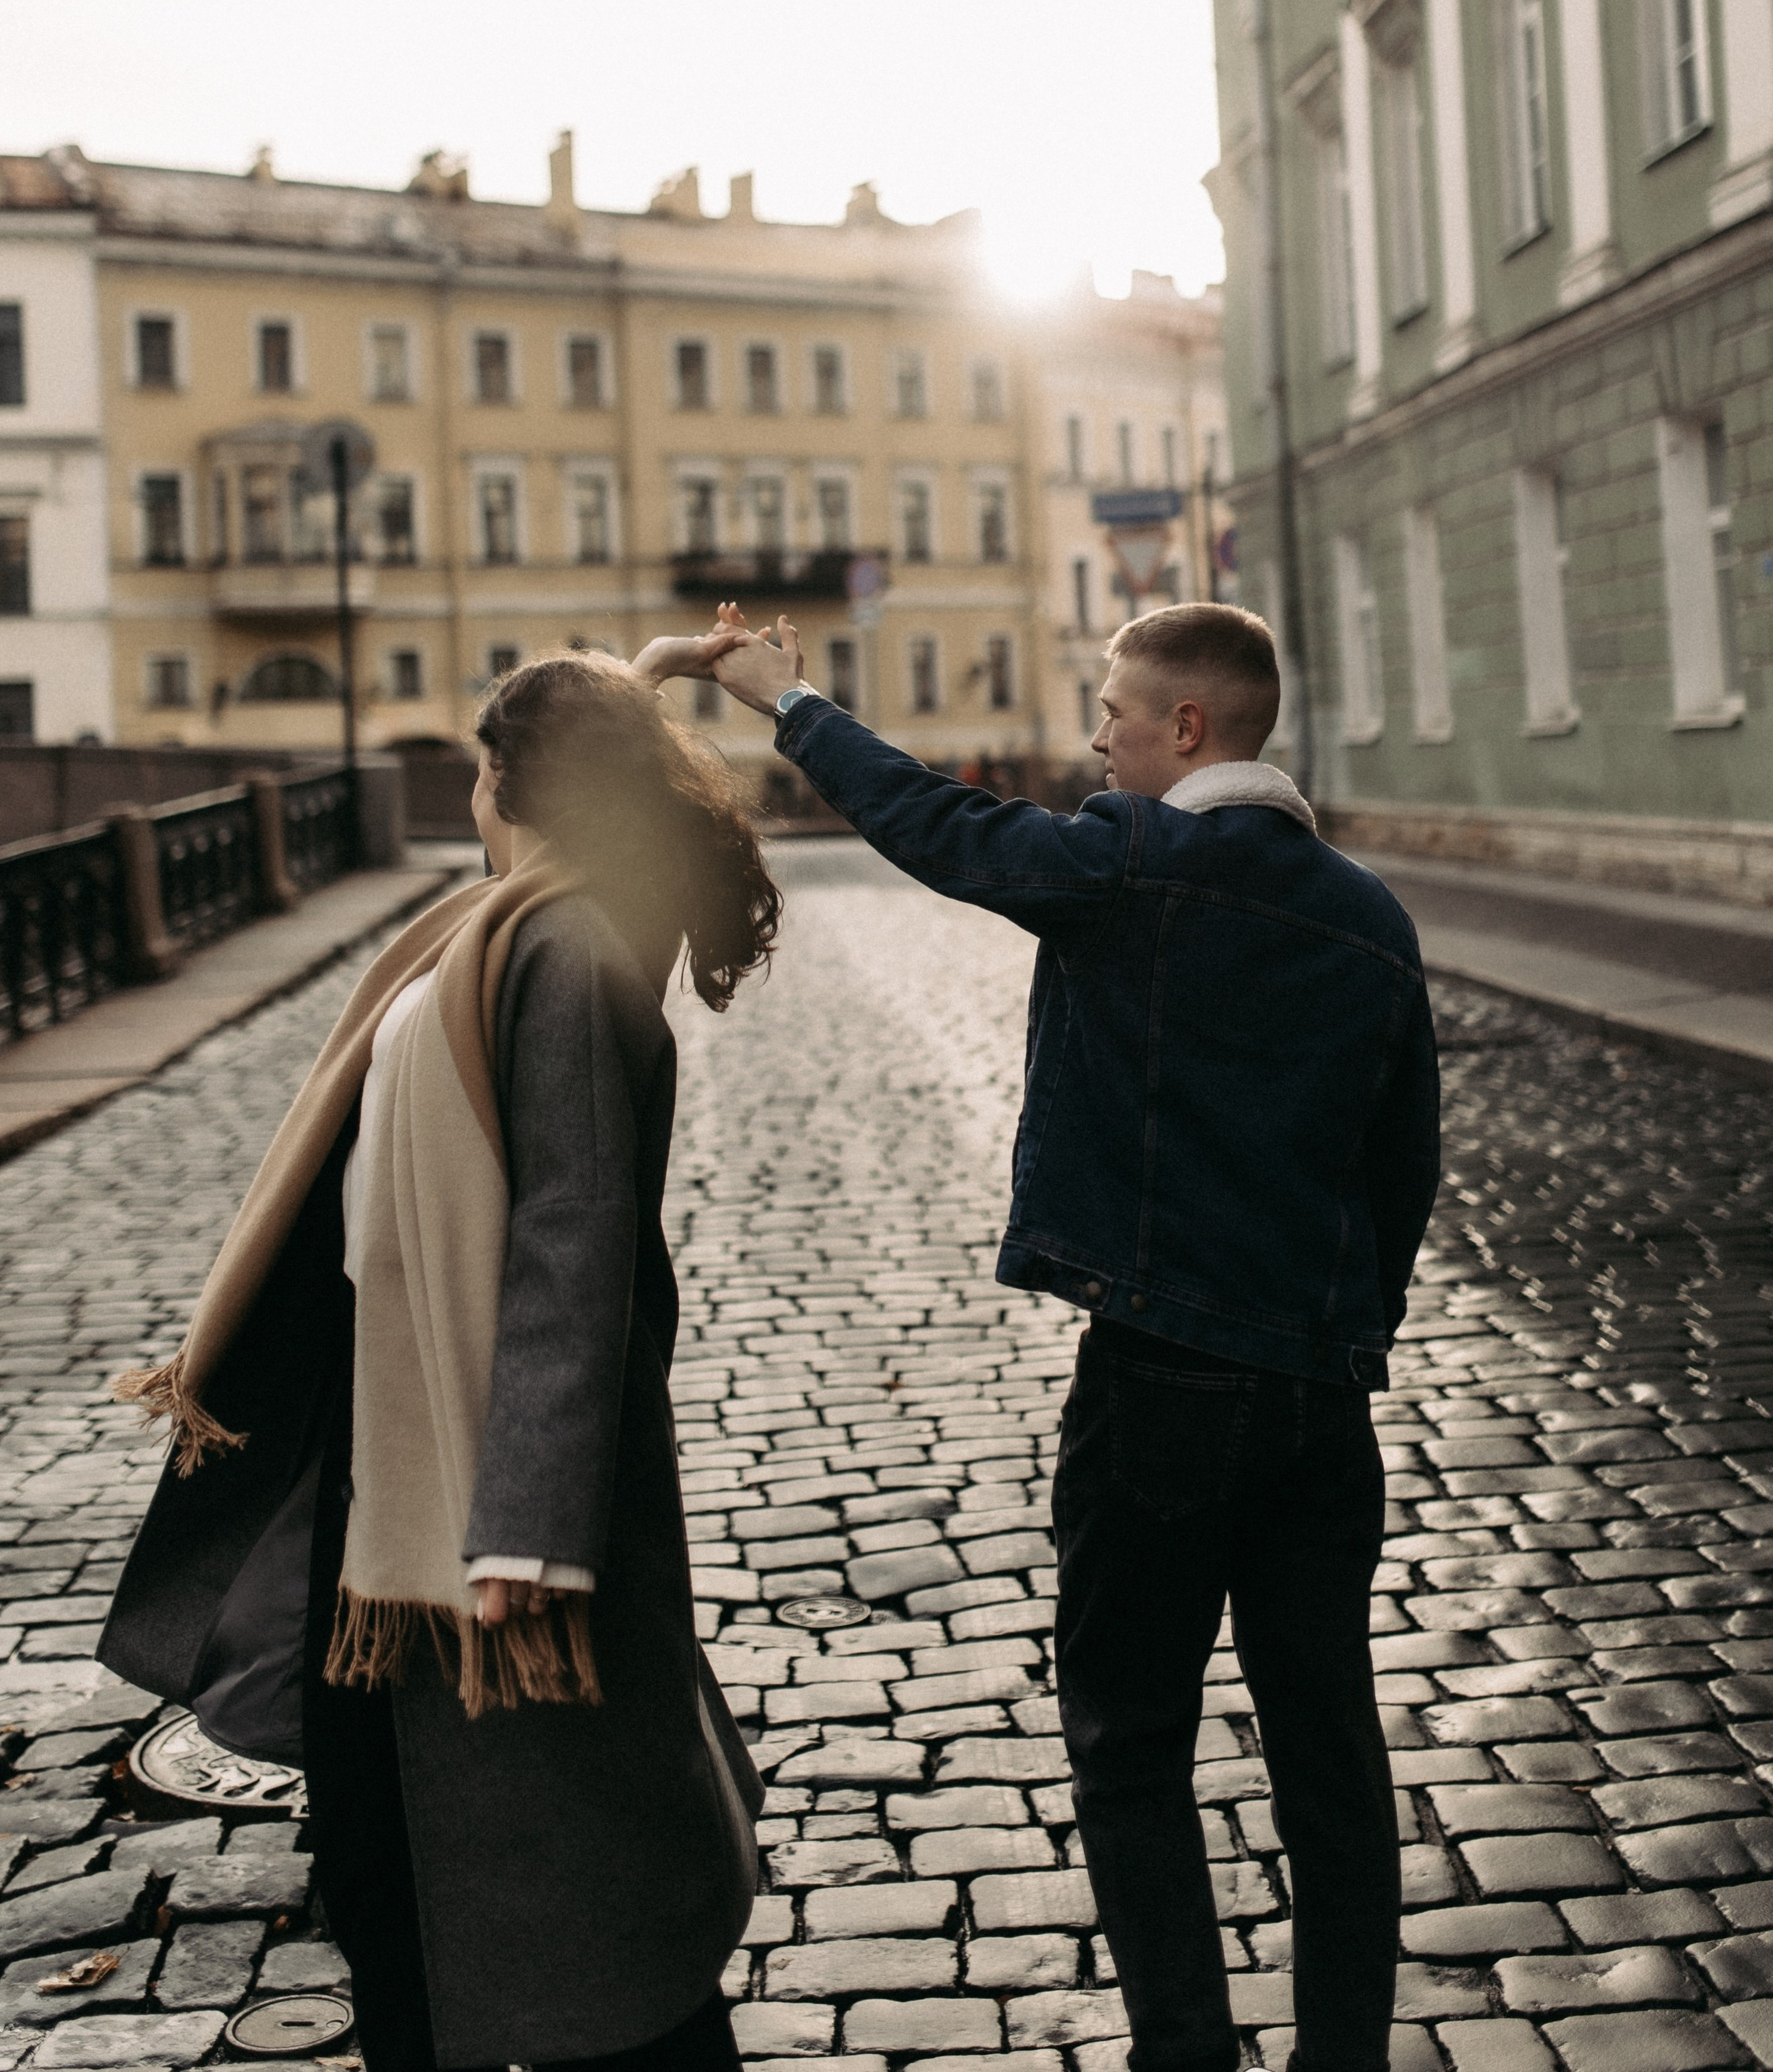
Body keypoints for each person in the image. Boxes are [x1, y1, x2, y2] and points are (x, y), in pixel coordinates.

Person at [711, 597, 1440, 2072]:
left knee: (1126, 1741)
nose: (1089, 737)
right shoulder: (1371, 921)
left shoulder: (1128, 860)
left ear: (1186, 729)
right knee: (1327, 1748)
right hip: (1315, 1402)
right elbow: (1400, 1168)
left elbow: (938, 825)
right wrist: (1330, 1323)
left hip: (1156, 1387)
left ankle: (1182, 2051)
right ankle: (1342, 2060)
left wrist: (790, 708)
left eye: (1111, 711)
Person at [100, 639, 778, 2072]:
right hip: (400, 1459)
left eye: (482, 765)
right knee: (380, 1848)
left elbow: (571, 1243)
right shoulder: (537, 921)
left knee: (591, 1881)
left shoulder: (570, 947)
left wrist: (524, 1522)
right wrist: (642, 682)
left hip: (491, 1491)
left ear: (502, 782)